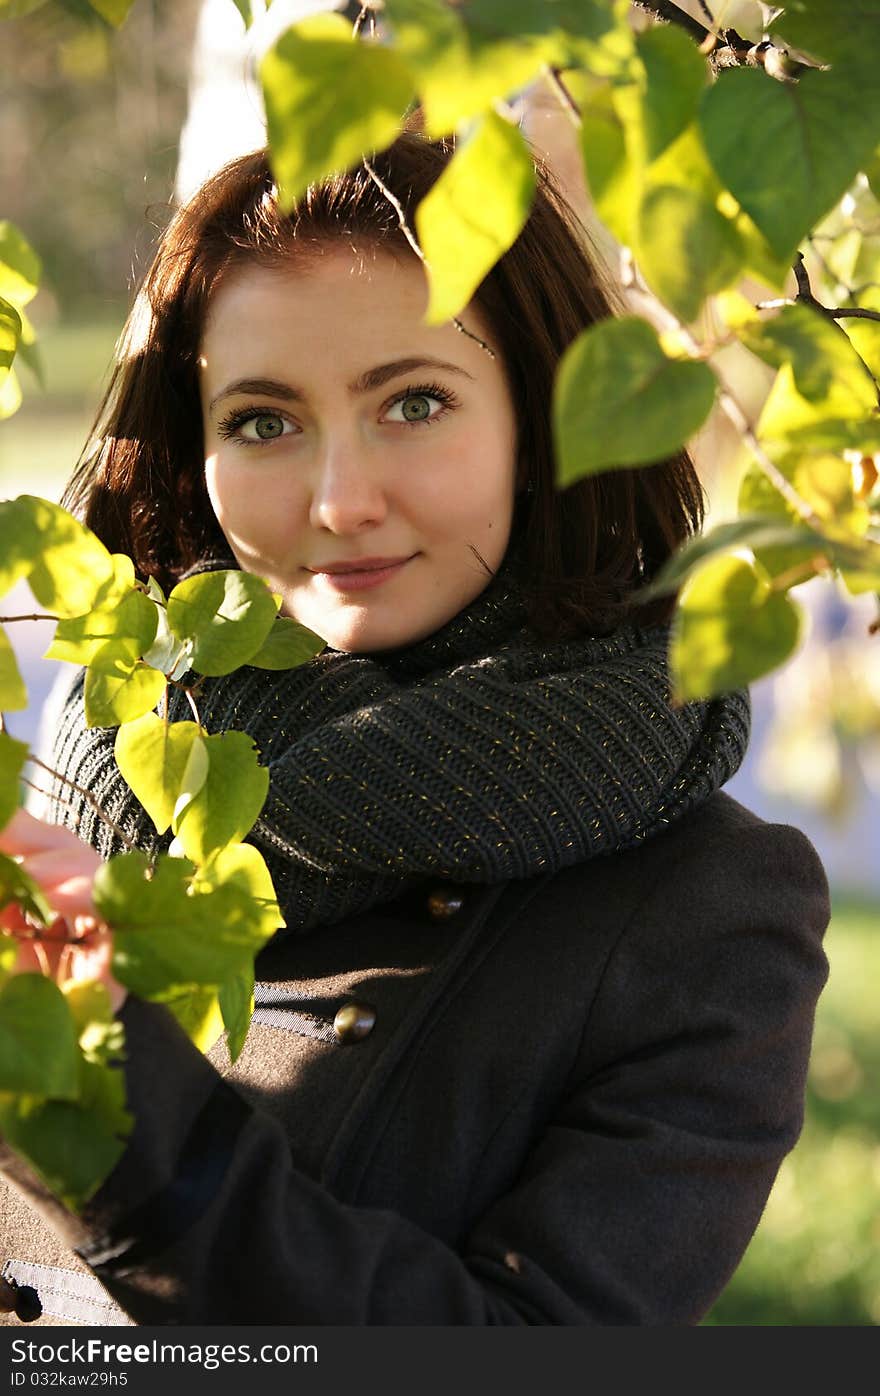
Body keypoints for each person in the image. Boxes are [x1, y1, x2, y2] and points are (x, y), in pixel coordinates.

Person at [0, 128, 830, 1327]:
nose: (338, 501)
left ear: (549, 426)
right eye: (263, 422)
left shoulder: (705, 908)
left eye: (415, 401)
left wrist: (106, 1113)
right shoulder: (94, 776)